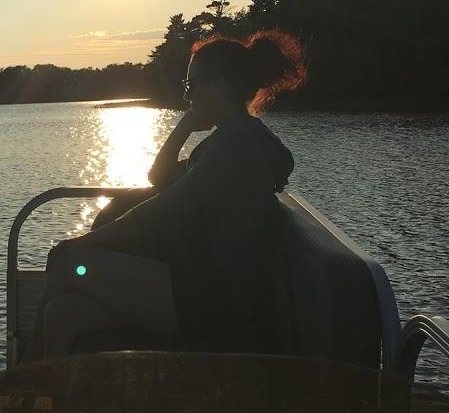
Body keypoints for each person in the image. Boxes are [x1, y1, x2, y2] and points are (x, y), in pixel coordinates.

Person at [24, 29, 307, 361]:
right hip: (198, 288)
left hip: (216, 303)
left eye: (190, 86)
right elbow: (159, 178)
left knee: (67, 262)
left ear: (216, 85)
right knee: (62, 315)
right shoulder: (229, 141)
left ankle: (24, 378)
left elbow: (155, 213)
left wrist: (82, 242)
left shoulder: (236, 145)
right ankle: (48, 390)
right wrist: (185, 126)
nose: (187, 96)